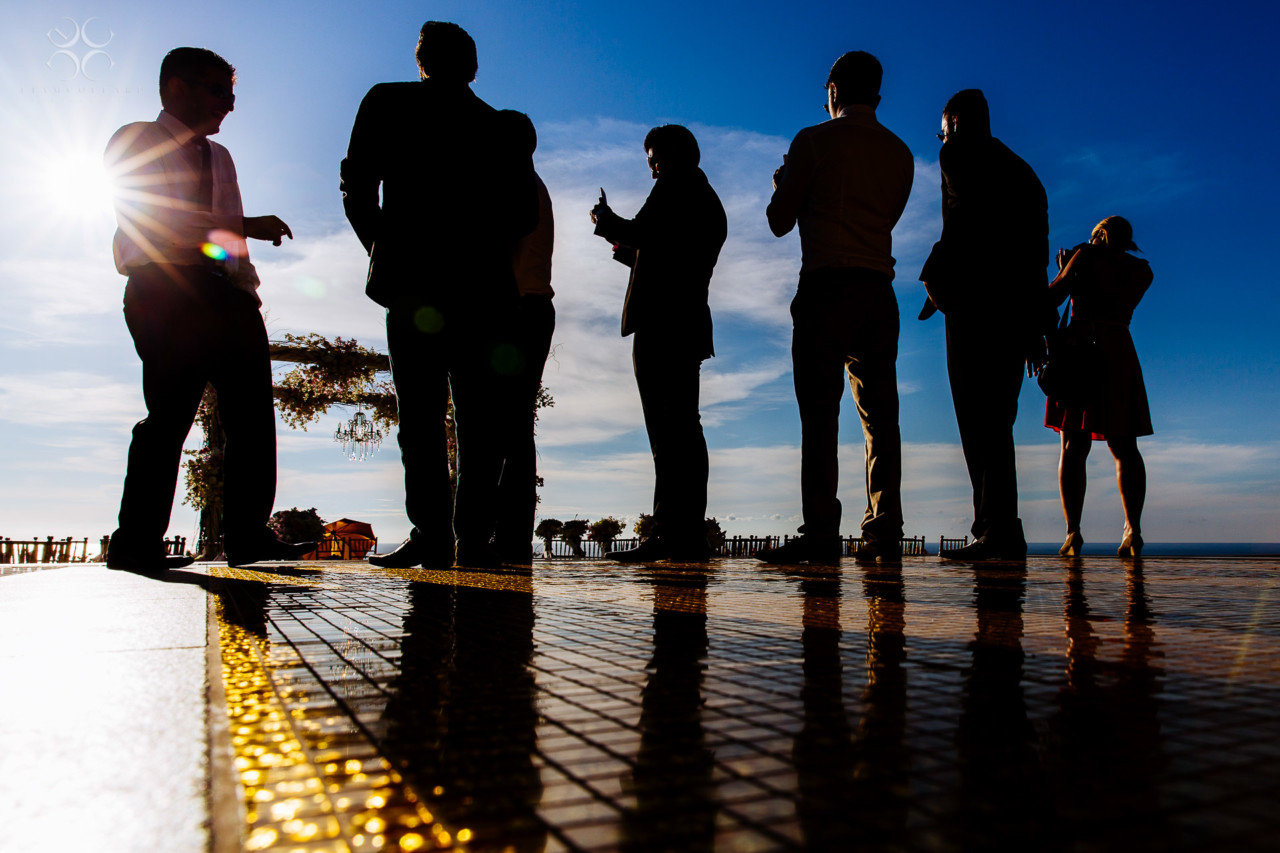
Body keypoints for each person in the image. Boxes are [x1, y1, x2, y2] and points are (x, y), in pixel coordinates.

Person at [104, 47, 313, 574]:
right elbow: (156, 219)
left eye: (232, 95)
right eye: (219, 91)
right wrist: (244, 224)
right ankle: (135, 542)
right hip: (163, 287)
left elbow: (221, 236)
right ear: (177, 88)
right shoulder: (135, 141)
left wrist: (244, 291)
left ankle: (245, 534)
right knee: (169, 414)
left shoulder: (221, 158)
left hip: (225, 294)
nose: (230, 106)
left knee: (252, 415)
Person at [341, 22, 539, 569]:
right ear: (474, 68)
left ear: (421, 60)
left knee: (422, 414)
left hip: (415, 286)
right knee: (481, 420)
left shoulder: (386, 102)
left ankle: (431, 533)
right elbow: (524, 214)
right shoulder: (500, 127)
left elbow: (356, 188)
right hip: (483, 288)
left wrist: (386, 254)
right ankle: (472, 536)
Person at [756, 51, 914, 565]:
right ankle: (884, 526)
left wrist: (784, 184)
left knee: (820, 415)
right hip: (877, 288)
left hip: (825, 285)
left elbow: (779, 221)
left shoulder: (813, 142)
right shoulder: (901, 153)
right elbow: (887, 217)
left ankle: (822, 530)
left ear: (832, 92)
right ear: (878, 96)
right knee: (880, 415)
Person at [919, 88, 1049, 561]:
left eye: (942, 129)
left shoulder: (956, 153)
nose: (941, 137)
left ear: (953, 121)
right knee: (999, 419)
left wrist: (933, 276)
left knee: (977, 420)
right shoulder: (1027, 176)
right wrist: (1038, 324)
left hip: (975, 306)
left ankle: (995, 529)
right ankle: (1000, 527)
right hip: (1016, 311)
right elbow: (1037, 256)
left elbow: (961, 221)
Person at [589, 125, 727, 561]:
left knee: (668, 432)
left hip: (664, 323)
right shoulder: (705, 197)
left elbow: (645, 233)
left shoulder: (676, 184)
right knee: (683, 427)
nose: (650, 167)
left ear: (671, 155)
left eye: (653, 157)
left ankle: (671, 532)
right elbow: (671, 253)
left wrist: (605, 221)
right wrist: (626, 249)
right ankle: (683, 531)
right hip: (686, 321)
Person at [1045, 216, 1153, 557]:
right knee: (1126, 446)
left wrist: (1067, 268)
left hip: (1081, 347)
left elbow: (1052, 297)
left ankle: (1073, 532)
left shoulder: (1087, 255)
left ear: (1101, 235)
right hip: (1119, 349)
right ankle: (1132, 530)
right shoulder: (1142, 271)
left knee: (1072, 445)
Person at [492, 111, 556, 565]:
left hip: (516, 311)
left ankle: (509, 537)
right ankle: (510, 535)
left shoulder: (514, 187)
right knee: (514, 425)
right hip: (533, 308)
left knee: (505, 426)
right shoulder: (533, 184)